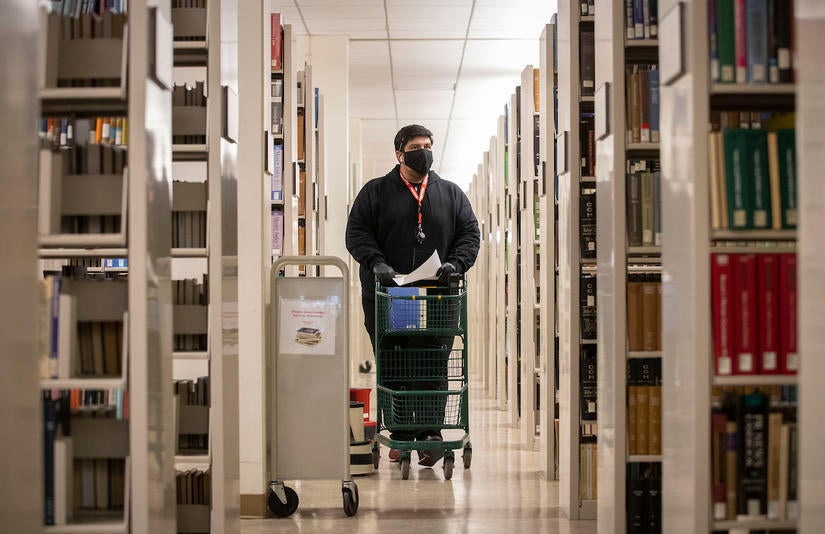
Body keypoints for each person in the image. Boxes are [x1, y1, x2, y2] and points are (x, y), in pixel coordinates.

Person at [345, 124, 480, 467]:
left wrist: (455, 263)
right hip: (389, 296)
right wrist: (375, 263)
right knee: (394, 362)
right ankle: (402, 432)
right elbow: (357, 232)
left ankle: (431, 434)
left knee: (434, 362)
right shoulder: (375, 192)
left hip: (437, 298)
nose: (424, 151)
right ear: (399, 154)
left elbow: (469, 234)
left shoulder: (450, 193)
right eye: (417, 146)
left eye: (428, 145)